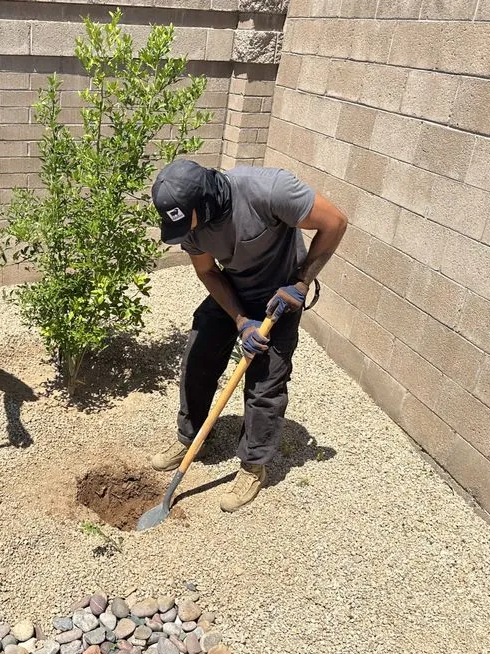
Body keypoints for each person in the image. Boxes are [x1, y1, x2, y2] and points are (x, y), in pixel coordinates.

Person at [149, 159, 347, 512]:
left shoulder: (268, 190)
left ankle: (254, 465)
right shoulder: (190, 226)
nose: (185, 235)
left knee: (265, 382)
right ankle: (192, 438)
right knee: (198, 355)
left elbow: (335, 222)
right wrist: (240, 320)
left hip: (280, 296)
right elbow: (208, 271)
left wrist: (300, 283)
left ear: (205, 204)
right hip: (233, 291)